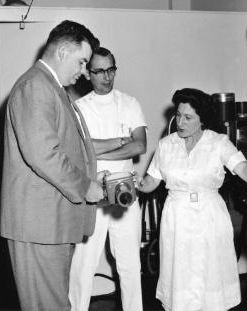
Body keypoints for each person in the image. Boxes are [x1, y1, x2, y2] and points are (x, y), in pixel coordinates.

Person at [0, 20, 104, 311]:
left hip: (50, 224)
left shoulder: (51, 88)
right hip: (39, 226)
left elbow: (64, 149)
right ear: (62, 52)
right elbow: (43, 153)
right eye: (82, 61)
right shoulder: (36, 86)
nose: (84, 71)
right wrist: (84, 185)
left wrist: (92, 175)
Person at [138, 88, 247, 311]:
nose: (180, 122)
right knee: (181, 278)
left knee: (210, 277)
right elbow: (150, 182)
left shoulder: (219, 142)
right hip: (177, 217)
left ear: (202, 119)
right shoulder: (166, 146)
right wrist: (131, 183)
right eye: (178, 115)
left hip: (209, 216)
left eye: (188, 117)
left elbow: (243, 169)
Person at [69, 47, 147, 311]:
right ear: (88, 74)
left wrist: (95, 147)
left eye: (111, 69)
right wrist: (120, 140)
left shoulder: (130, 103)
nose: (106, 76)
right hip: (93, 195)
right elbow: (78, 149)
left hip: (125, 195)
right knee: (83, 266)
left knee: (130, 265)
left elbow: (140, 146)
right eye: (99, 71)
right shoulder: (79, 108)